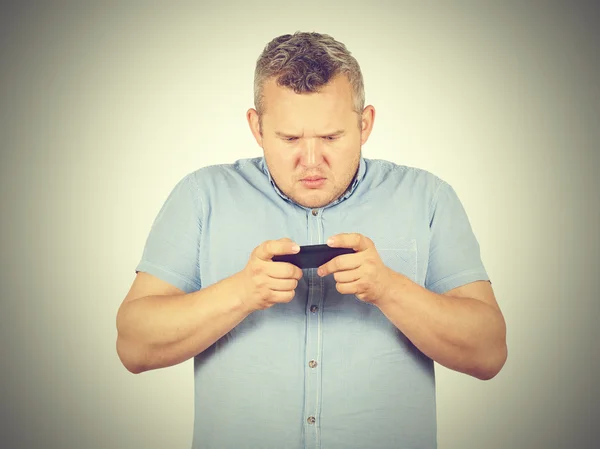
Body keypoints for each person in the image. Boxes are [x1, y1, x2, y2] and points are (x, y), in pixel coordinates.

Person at [116, 31, 507, 449]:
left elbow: (488, 353)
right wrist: (241, 294)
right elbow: (134, 346)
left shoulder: (428, 198)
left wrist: (390, 289)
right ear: (257, 127)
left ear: (365, 124)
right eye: (289, 139)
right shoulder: (201, 196)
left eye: (331, 137)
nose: (311, 160)